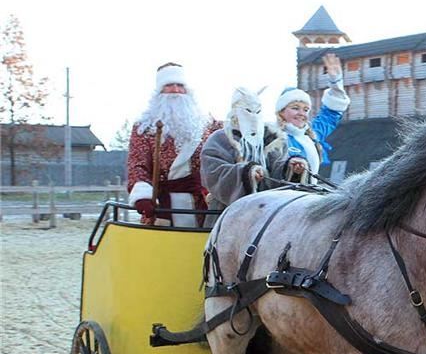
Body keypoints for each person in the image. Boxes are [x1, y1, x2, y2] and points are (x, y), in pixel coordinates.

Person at [127, 62, 219, 227]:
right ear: (159, 91)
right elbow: (137, 165)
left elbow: (228, 146)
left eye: (180, 85)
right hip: (162, 205)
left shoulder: (208, 124)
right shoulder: (144, 127)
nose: (176, 90)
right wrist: (143, 196)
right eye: (169, 85)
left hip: (201, 204)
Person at [200, 87, 292, 224]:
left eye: (258, 111)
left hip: (268, 215)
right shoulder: (220, 139)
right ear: (235, 111)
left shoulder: (273, 139)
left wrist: (291, 166)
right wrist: (246, 173)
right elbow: (213, 173)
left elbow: (279, 166)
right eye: (248, 110)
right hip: (228, 214)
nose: (254, 116)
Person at [275, 53, 350, 184]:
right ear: (281, 112)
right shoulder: (273, 138)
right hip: (280, 197)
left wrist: (336, 80)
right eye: (295, 108)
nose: (301, 113)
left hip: (308, 195)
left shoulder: (313, 134)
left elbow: (332, 112)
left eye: (305, 109)